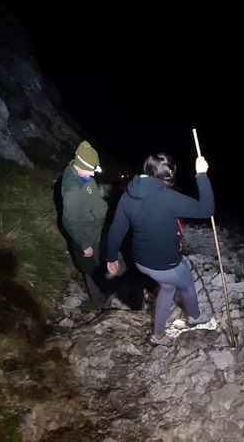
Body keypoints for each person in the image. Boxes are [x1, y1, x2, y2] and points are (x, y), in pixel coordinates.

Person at [106, 152, 215, 346]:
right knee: (186, 283)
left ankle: (157, 335)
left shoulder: (128, 194)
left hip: (141, 260)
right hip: (165, 264)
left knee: (167, 286)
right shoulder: (168, 197)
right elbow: (207, 209)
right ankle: (195, 317)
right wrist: (202, 175)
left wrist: (111, 257)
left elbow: (117, 229)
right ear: (169, 173)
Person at [61, 140, 126, 309]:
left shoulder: (79, 172)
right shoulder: (72, 190)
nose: (93, 173)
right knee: (92, 270)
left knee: (112, 258)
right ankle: (101, 305)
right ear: (80, 165)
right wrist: (84, 244)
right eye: (90, 169)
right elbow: (69, 221)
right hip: (88, 237)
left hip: (98, 229)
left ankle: (122, 289)